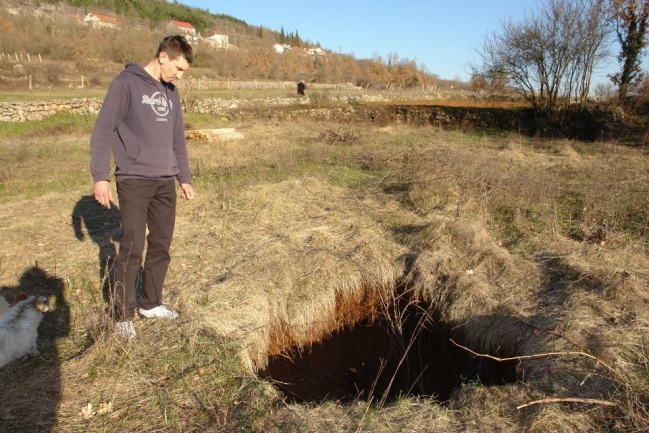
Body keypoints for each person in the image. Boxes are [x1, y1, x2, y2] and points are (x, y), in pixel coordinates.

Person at [90, 35, 195, 339]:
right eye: (178, 68)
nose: (180, 75)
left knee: (161, 245)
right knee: (132, 248)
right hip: (134, 178)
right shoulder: (125, 84)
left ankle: (151, 303)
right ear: (163, 56)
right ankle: (123, 315)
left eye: (184, 71)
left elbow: (178, 140)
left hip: (165, 181)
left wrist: (184, 178)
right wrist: (100, 176)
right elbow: (103, 132)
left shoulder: (172, 93)